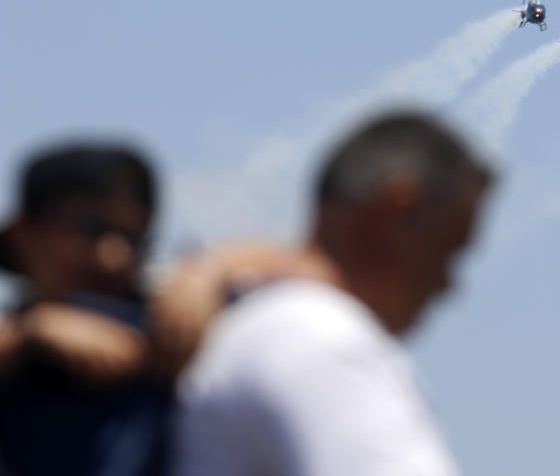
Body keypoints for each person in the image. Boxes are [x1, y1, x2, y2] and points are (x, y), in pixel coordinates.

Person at [174, 111, 495, 476]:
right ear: (394, 214)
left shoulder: (262, 323)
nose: (446, 285)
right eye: (446, 252)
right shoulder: (320, 339)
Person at [0, 143, 174, 475]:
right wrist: (30, 333)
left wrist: (212, 271)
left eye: (134, 238)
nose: (114, 257)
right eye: (90, 230)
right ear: (25, 236)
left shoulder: (168, 340)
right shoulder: (16, 356)